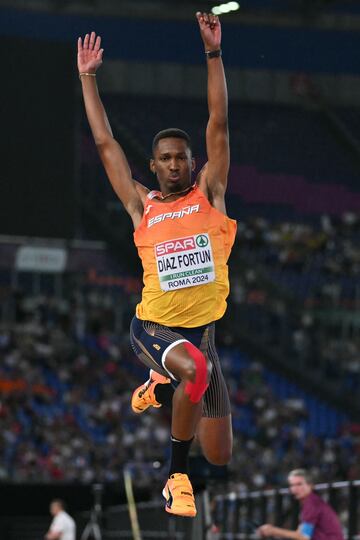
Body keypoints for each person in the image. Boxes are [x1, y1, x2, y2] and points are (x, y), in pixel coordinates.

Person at [78, 11, 236, 518]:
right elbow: (106, 144)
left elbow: (218, 122)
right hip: (154, 327)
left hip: (203, 333)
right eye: (165, 158)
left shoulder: (211, 193)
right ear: (154, 165)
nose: (174, 164)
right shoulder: (142, 205)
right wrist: (87, 79)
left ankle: (158, 382)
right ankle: (176, 475)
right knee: (191, 370)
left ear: (192, 163)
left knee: (222, 453)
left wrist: (213, 53)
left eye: (181, 157)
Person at [257, 469, 344, 540]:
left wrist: (273, 531)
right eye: (292, 485)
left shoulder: (312, 504)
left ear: (310, 485)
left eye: (299, 484)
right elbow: (300, 534)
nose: (295, 489)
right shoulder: (311, 502)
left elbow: (303, 537)